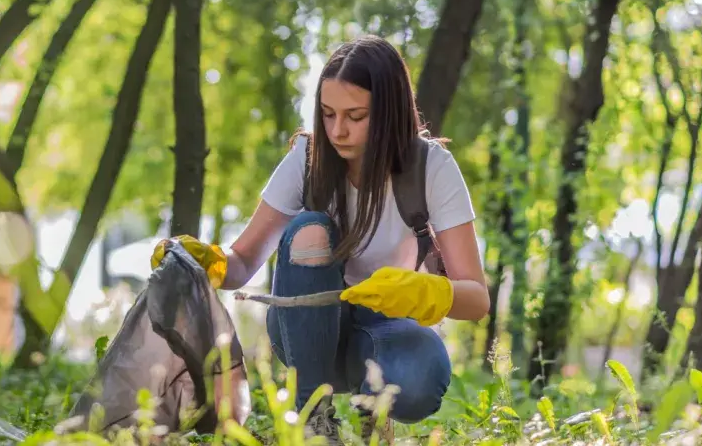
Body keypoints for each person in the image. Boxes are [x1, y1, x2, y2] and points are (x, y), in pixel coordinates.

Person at [152, 35, 489, 443]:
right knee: (310, 227)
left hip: (388, 334)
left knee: (420, 376)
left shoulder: (431, 168)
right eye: (327, 114)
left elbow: (477, 299)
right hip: (306, 331)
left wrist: (423, 291)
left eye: (356, 115)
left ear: (390, 112)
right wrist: (207, 262)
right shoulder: (308, 160)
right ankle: (313, 421)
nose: (337, 130)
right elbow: (242, 263)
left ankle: (373, 412)